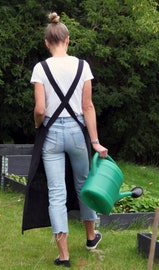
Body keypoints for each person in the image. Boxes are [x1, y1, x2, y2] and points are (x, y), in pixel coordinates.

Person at [28, 12, 108, 268]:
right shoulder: (83, 66)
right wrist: (94, 141)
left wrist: (38, 125)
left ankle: (63, 256)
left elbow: (40, 109)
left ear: (47, 42)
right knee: (85, 186)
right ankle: (90, 237)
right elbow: (88, 107)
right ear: (68, 40)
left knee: (57, 193)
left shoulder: (40, 68)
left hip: (51, 133)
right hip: (77, 131)